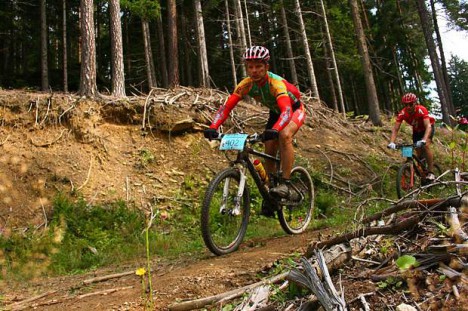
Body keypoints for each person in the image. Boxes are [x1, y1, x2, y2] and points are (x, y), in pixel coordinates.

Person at [203, 46, 306, 204]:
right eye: (250, 67)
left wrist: (276, 130)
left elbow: (286, 110)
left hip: (294, 110)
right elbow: (226, 107)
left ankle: (285, 183)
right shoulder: (246, 84)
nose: (254, 71)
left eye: (258, 66)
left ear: (266, 67)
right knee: (269, 146)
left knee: (284, 135)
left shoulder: (276, 83)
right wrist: (213, 126)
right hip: (276, 113)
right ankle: (272, 189)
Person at [387, 92, 436, 180]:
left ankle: (431, 172)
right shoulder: (402, 113)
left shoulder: (421, 109)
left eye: (410, 104)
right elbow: (395, 129)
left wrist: (424, 140)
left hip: (427, 128)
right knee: (417, 151)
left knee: (425, 146)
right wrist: (391, 142)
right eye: (406, 105)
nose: (408, 107)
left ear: (415, 103)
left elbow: (428, 126)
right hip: (417, 131)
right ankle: (420, 170)